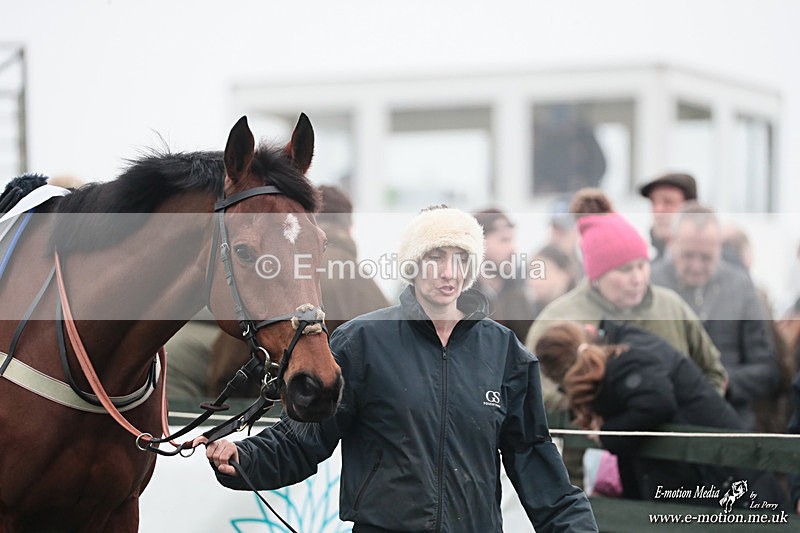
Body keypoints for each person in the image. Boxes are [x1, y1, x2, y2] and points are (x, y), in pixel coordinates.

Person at [201, 205, 598, 533]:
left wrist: (574, 527)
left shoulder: (504, 350)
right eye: (435, 257)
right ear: (412, 265)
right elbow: (302, 439)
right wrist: (242, 456)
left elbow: (534, 456)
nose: (447, 272)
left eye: (459, 259)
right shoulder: (362, 342)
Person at [526, 189, 728, 407]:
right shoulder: (559, 320)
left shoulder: (670, 307)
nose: (637, 278)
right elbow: (534, 391)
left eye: (642, 265)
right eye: (624, 270)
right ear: (596, 276)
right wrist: (590, 414)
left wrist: (693, 416)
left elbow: (714, 372)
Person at [534, 320, 765, 504]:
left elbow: (657, 404)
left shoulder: (626, 363)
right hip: (712, 476)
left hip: (717, 478)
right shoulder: (621, 360)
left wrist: (607, 433)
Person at [206, 184, 390, 398]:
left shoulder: (287, 274)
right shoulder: (374, 290)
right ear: (350, 227)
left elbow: (227, 367)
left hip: (287, 414)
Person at [650, 203, 779, 430]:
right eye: (688, 255)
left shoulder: (741, 287)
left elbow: (766, 368)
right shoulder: (650, 283)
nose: (696, 266)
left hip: (729, 423)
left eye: (706, 258)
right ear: (672, 242)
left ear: (719, 248)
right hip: (663, 423)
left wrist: (723, 383)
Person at [472, 208, 535, 342]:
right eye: (504, 240)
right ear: (478, 244)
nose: (513, 248)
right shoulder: (460, 299)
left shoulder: (519, 296)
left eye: (512, 240)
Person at [638, 172, 697, 261]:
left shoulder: (708, 265)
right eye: (653, 202)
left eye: (668, 202)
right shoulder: (646, 266)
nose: (658, 210)